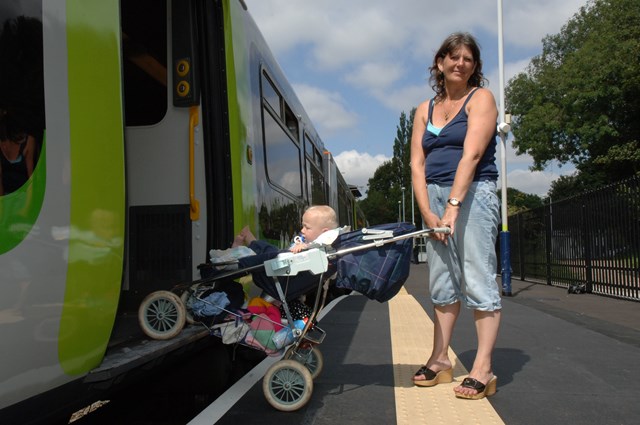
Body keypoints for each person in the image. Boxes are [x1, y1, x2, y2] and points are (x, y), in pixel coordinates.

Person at [409, 32, 501, 400]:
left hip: (473, 195)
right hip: (434, 197)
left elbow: (472, 155)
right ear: (440, 63)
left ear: (474, 67)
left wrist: (453, 206)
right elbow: (417, 163)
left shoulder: (481, 99)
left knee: (478, 278)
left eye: (468, 59)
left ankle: (483, 368)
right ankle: (440, 359)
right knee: (442, 282)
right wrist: (428, 212)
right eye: (454, 57)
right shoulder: (424, 109)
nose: (460, 63)